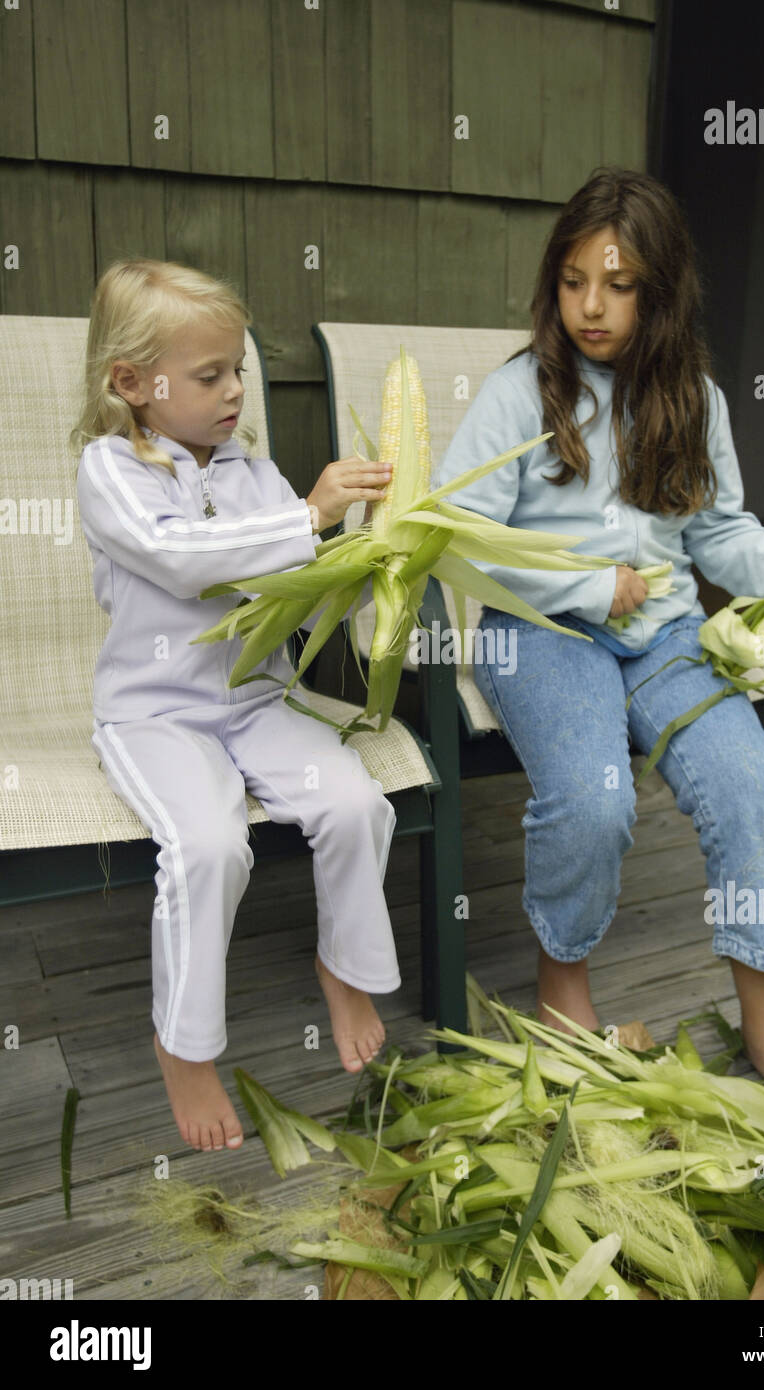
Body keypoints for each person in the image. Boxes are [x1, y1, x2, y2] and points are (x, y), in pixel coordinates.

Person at [436, 168, 764, 1104]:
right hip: (538, 632)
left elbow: (721, 535)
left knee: (750, 788)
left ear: (662, 289)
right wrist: (581, 582)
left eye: (618, 285)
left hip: (665, 636)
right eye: (572, 282)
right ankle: (562, 974)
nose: (591, 308)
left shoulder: (696, 399)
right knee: (594, 798)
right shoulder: (519, 394)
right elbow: (456, 541)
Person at [72, 259, 397, 1152]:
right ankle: (184, 1044)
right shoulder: (111, 473)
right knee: (209, 846)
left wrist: (357, 564)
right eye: (209, 375)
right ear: (133, 383)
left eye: (237, 371)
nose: (233, 391)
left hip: (255, 703)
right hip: (155, 713)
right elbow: (182, 556)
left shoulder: (253, 474)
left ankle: (344, 967)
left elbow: (288, 582)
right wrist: (309, 518)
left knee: (356, 803)